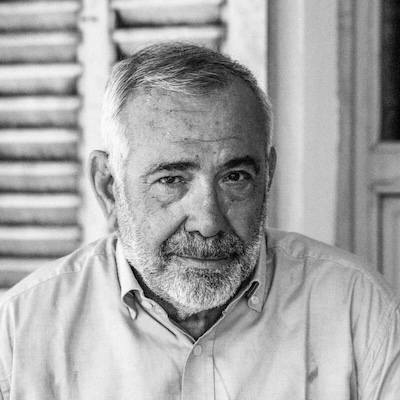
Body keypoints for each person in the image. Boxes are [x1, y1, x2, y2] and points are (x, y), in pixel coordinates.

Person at [0, 42, 399, 400]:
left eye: (235, 177)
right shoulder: (22, 331)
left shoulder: (357, 307)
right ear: (108, 187)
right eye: (171, 180)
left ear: (267, 177)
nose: (208, 223)